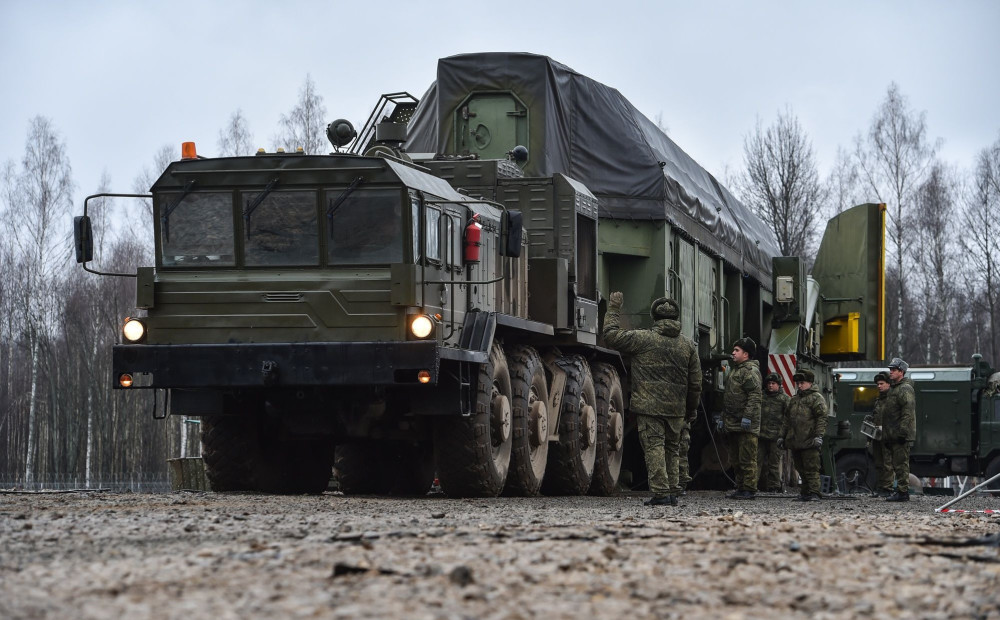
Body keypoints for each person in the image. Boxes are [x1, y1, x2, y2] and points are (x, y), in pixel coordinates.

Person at [603, 292, 701, 507]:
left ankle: (661, 494)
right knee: (672, 449)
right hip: (676, 409)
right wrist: (691, 410)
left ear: (654, 317)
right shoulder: (688, 346)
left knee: (654, 446)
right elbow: (695, 384)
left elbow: (610, 335)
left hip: (649, 407)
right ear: (676, 318)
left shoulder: (643, 339)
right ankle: (673, 491)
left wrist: (614, 307)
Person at [721, 337, 762, 499]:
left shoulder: (749, 371)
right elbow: (729, 398)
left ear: (746, 354)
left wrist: (747, 417)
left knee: (747, 458)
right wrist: (723, 417)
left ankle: (749, 489)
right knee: (736, 459)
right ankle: (740, 487)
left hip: (746, 425)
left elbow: (755, 396)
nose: (733, 353)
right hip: (733, 422)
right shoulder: (736, 370)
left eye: (736, 350)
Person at [780, 368, 828, 501]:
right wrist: (781, 436)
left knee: (811, 468)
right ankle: (805, 492)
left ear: (810, 383)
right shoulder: (794, 399)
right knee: (800, 467)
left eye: (802, 383)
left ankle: (814, 492)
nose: (800, 385)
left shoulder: (816, 398)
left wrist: (819, 436)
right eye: (798, 383)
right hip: (796, 440)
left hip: (809, 440)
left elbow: (822, 418)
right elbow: (787, 420)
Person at [883, 357, 916, 502]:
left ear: (901, 372)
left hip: (899, 434)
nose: (891, 372)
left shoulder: (904, 389)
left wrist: (903, 432)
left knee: (901, 464)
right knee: (897, 464)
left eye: (894, 370)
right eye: (890, 369)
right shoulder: (895, 388)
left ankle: (903, 492)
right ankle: (900, 491)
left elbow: (907, 411)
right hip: (893, 433)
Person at [758, 372, 788, 493]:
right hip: (761, 435)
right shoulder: (761, 397)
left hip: (776, 437)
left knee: (773, 464)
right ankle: (752, 485)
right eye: (769, 383)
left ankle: (774, 487)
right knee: (756, 461)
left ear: (779, 385)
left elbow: (789, 418)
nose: (770, 386)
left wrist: (784, 435)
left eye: (773, 383)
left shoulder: (784, 399)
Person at [870, 372, 894, 497]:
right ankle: (881, 487)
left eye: (881, 384)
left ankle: (888, 488)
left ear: (888, 384)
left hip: (888, 436)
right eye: (877, 384)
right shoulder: (879, 400)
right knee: (879, 462)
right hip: (877, 435)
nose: (879, 386)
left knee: (888, 463)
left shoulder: (893, 399)